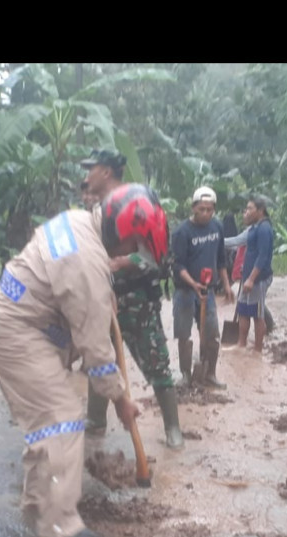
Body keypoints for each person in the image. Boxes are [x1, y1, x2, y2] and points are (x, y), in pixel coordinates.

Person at [0, 201, 141, 537]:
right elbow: (97, 353)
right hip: (18, 329)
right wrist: (122, 400)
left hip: (14, 320)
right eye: (132, 247)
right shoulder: (89, 267)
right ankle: (57, 521)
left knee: (46, 422)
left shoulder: (81, 222)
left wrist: (103, 276)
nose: (131, 255)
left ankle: (37, 502)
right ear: (120, 234)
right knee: (62, 416)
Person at [80, 150, 186, 451]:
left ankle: (173, 428)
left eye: (93, 169)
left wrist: (123, 262)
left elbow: (157, 258)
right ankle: (96, 421)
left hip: (137, 301)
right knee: (99, 362)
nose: (87, 176)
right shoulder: (95, 212)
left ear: (107, 173)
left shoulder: (136, 202)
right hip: (104, 299)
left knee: (157, 363)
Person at [171, 186, 233, 389]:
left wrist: (226, 284)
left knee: (212, 334)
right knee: (184, 335)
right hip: (185, 292)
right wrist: (193, 283)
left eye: (210, 209)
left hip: (209, 291)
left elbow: (221, 258)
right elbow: (177, 265)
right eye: (201, 209)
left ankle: (209, 374)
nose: (206, 213)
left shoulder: (217, 227)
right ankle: (186, 375)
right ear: (193, 208)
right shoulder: (182, 232)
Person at [237, 195, 275, 352]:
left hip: (258, 279)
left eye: (250, 208)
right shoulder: (254, 228)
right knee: (243, 310)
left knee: (257, 315)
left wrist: (251, 279)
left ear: (260, 211)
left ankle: (258, 349)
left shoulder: (265, 229)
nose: (246, 211)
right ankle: (241, 344)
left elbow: (263, 256)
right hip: (248, 278)